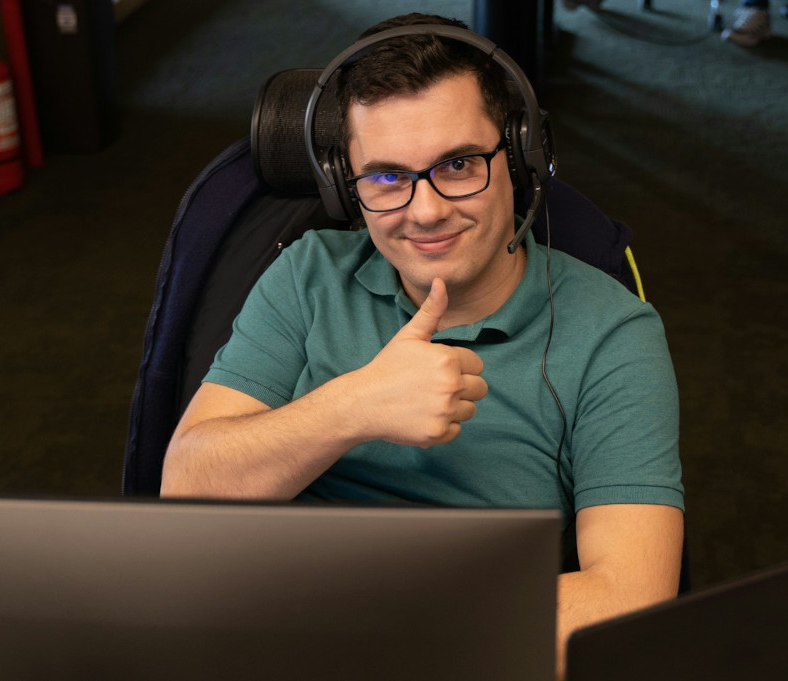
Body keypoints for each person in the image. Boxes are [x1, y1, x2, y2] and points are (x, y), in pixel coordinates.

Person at [160, 12, 684, 678]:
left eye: (459, 163)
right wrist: (353, 407)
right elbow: (187, 488)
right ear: (342, 184)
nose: (426, 210)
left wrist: (367, 634)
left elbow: (627, 598)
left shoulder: (612, 332)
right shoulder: (305, 274)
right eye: (386, 177)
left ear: (520, 156)